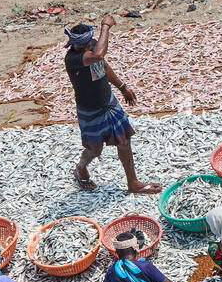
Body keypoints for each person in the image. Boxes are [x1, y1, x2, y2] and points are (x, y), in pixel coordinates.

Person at [64, 16, 159, 195]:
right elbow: (98, 55)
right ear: (73, 44)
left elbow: (103, 66)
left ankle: (133, 183)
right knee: (94, 148)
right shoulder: (73, 58)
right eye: (80, 44)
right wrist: (106, 26)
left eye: (86, 43)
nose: (85, 46)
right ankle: (81, 168)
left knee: (124, 140)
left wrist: (123, 87)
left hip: (108, 103)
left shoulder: (91, 46)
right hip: (90, 109)